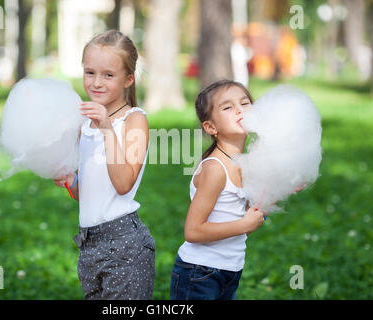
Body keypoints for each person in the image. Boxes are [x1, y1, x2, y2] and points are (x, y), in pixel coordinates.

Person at [53, 30, 154, 300]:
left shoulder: (133, 120)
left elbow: (122, 185)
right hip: (89, 244)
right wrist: (70, 181)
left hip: (124, 246)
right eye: (90, 73)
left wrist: (107, 127)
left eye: (108, 75)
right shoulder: (84, 123)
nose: (97, 82)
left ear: (128, 79)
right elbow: (86, 194)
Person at [170, 80, 265, 300]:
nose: (240, 110)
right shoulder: (215, 169)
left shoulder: (245, 165)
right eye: (228, 107)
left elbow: (248, 222)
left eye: (245, 103)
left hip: (230, 270)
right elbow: (193, 232)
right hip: (199, 273)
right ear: (210, 127)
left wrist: (282, 188)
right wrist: (243, 224)